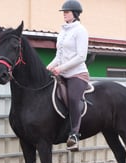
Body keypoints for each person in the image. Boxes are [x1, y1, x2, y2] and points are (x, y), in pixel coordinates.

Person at [47, 0, 89, 151]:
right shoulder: (62, 32)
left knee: (72, 98)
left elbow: (81, 57)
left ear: (75, 14)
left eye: (67, 12)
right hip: (62, 73)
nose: (64, 14)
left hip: (77, 74)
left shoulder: (81, 31)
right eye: (64, 12)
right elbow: (58, 56)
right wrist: (49, 67)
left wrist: (61, 68)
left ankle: (74, 135)